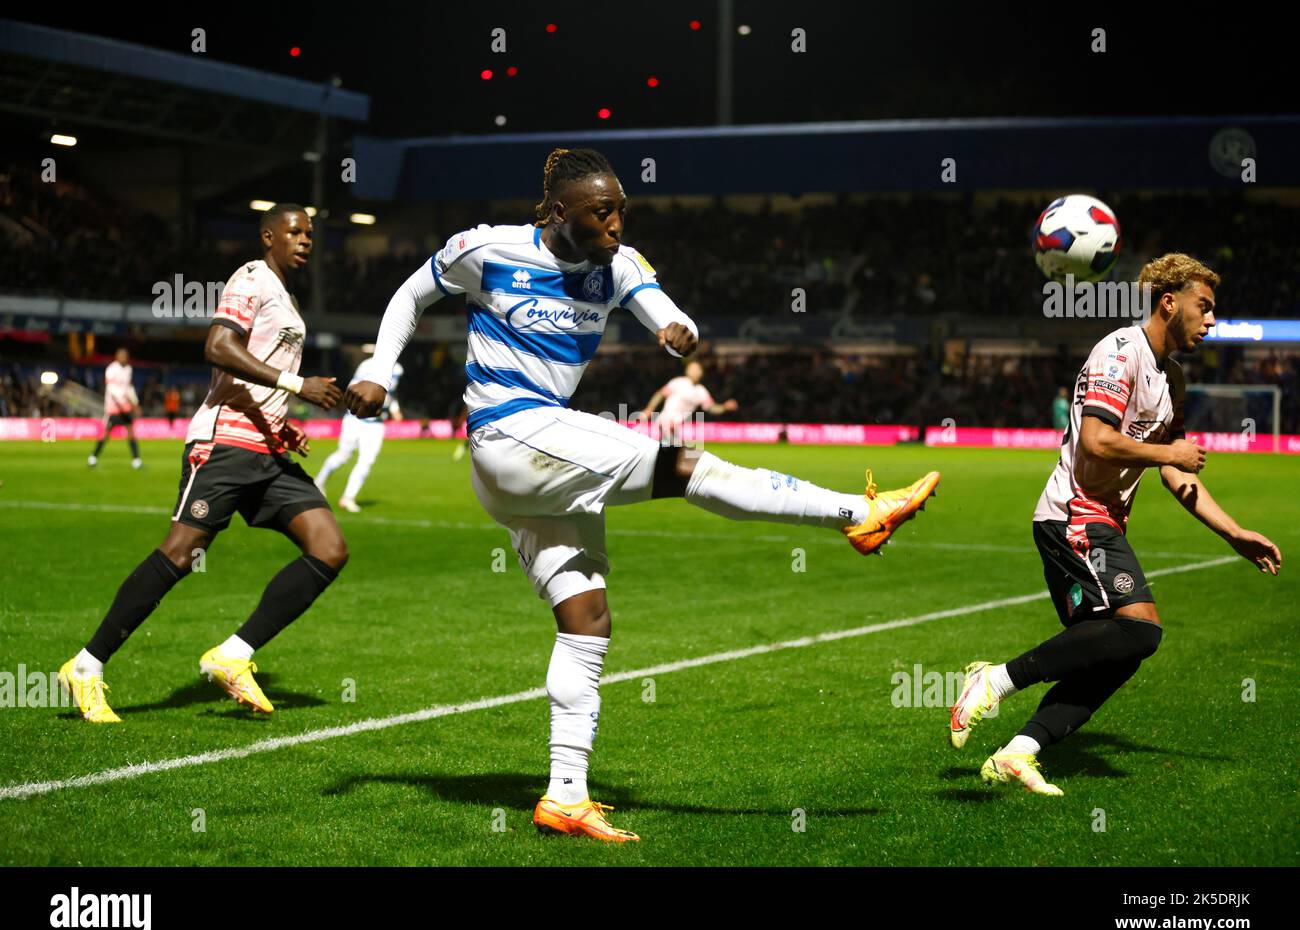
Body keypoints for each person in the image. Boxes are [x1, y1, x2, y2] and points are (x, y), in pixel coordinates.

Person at [348, 148, 941, 841]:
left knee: (587, 619)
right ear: (561, 211)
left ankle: (564, 796)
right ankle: (856, 513)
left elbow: (663, 307)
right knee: (687, 467)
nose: (616, 222)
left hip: (530, 474)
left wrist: (675, 327)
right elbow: (411, 293)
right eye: (603, 211)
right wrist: (380, 371)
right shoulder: (488, 250)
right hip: (511, 433)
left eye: (622, 208)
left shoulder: (620, 264)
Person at [949, 253, 1282, 795]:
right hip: (1074, 516)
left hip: (1099, 524)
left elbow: (1174, 473)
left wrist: (1233, 532)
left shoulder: (1171, 378)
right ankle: (995, 680)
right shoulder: (1119, 352)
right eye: (1205, 307)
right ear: (1169, 303)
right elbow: (1099, 442)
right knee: (1141, 629)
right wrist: (1168, 450)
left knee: (1120, 649)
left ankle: (1018, 752)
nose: (1212, 321)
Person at [59, 204, 349, 723]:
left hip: (266, 450)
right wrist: (295, 386)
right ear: (268, 236)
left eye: (310, 234)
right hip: (224, 446)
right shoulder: (252, 279)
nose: (306, 240)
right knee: (180, 552)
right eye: (294, 232)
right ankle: (86, 665)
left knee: (328, 549)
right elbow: (217, 346)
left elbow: (252, 377)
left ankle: (233, 655)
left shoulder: (287, 296)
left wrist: (280, 423)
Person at [314, 355, 404, 512]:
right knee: (343, 455)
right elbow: (354, 388)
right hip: (355, 418)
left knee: (367, 461)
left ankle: (348, 497)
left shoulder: (398, 369)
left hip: (376, 423)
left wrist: (395, 410)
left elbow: (390, 393)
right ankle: (319, 482)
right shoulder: (368, 365)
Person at [639, 359, 738, 444]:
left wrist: (724, 407)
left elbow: (712, 408)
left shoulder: (701, 391)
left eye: (698, 369)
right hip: (665, 421)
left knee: (671, 451)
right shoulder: (678, 382)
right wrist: (649, 409)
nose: (696, 372)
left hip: (677, 426)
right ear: (687, 371)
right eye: (693, 369)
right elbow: (660, 394)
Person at [88, 348, 142, 469]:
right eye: (121, 355)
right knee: (106, 434)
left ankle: (136, 460)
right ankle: (93, 458)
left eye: (125, 356)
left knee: (131, 432)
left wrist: (135, 403)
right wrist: (122, 403)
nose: (123, 358)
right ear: (116, 357)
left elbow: (129, 388)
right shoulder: (111, 369)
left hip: (125, 407)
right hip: (113, 408)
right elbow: (112, 389)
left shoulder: (128, 369)